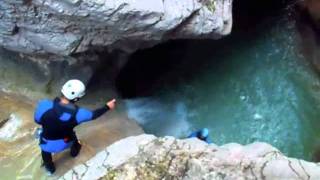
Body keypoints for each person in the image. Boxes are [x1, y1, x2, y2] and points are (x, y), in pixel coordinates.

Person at [34, 79, 116, 174]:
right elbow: (94, 115)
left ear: (62, 90)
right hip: (65, 143)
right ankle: (74, 153)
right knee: (74, 140)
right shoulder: (79, 113)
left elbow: (37, 121)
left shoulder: (44, 104)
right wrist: (107, 107)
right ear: (77, 98)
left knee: (45, 150)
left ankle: (50, 169)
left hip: (46, 143)